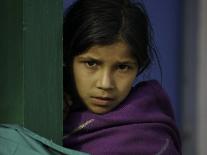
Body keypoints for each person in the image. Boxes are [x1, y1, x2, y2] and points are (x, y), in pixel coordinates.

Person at [63, 0, 182, 154]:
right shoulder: (47, 112)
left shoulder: (149, 136)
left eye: (122, 67)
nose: (105, 84)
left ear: (140, 65)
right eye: (91, 63)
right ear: (68, 56)